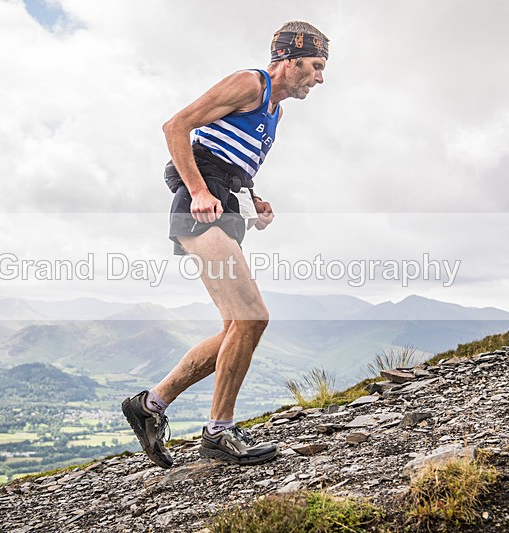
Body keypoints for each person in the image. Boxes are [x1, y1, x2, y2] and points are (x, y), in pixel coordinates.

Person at [122, 20, 329, 468]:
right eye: (314, 66)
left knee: (236, 327)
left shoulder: (275, 111)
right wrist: (198, 191)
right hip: (202, 203)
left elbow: (232, 156)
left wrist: (255, 198)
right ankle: (218, 432)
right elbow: (176, 126)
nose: (320, 77)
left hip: (226, 203)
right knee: (252, 318)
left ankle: (150, 405)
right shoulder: (249, 83)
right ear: (289, 61)